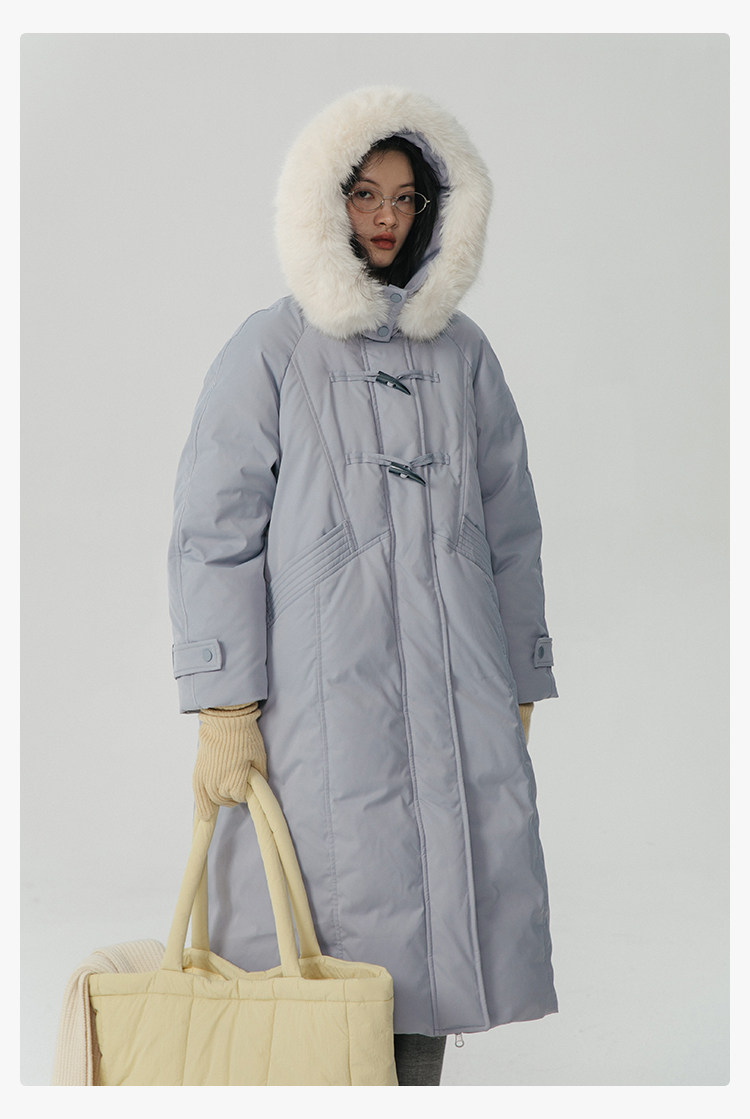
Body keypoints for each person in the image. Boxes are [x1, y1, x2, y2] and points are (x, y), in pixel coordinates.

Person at [168, 86, 558, 1087]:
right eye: (365, 194)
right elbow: (214, 533)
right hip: (317, 713)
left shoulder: (465, 356)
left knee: (436, 959)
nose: (386, 216)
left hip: (458, 701)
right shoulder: (271, 349)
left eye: (406, 197)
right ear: (325, 201)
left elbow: (511, 528)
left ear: (437, 209)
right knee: (321, 960)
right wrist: (223, 703)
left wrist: (519, 677)